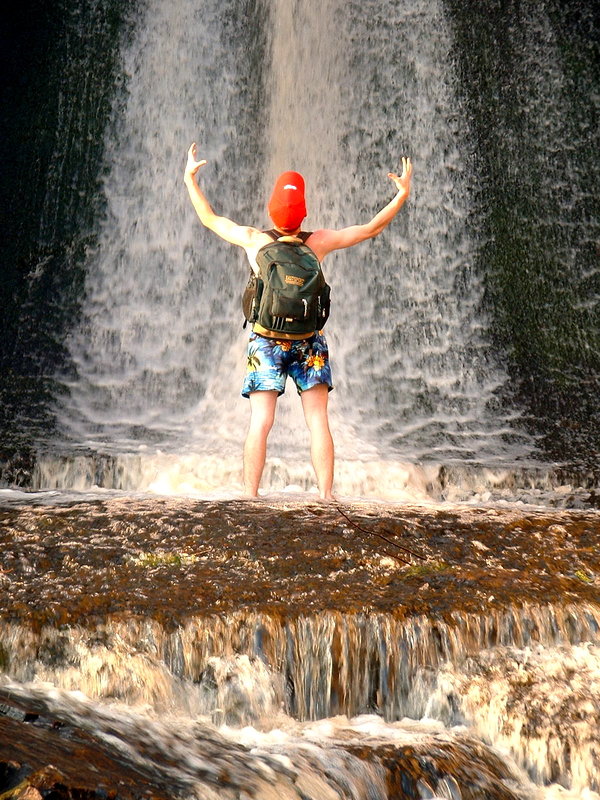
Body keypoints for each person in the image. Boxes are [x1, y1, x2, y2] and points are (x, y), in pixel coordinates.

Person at [183, 144, 412, 500]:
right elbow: (369, 230)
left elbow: (209, 218)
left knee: (260, 421)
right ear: (303, 214)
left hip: (266, 341)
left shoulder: (255, 241)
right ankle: (326, 496)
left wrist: (190, 180)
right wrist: (401, 195)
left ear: (270, 211)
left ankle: (251, 495)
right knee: (318, 420)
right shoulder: (318, 243)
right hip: (309, 342)